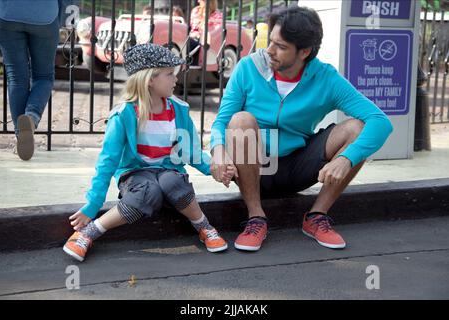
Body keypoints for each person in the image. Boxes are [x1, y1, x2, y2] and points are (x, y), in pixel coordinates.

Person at [210, 7, 393, 252]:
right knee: (240, 120)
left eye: (281, 46)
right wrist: (218, 151)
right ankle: (256, 217)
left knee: (357, 128)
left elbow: (380, 121)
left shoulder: (326, 78)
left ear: (304, 52)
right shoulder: (247, 68)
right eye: (270, 42)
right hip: (253, 169)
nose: (270, 51)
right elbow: (221, 122)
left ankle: (317, 216)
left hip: (299, 166)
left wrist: (347, 159)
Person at [63, 44, 229, 262]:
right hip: (135, 174)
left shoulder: (179, 110)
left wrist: (214, 170)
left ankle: (204, 227)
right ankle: (89, 232)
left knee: (172, 182)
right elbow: (108, 161)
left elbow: (191, 152)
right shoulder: (124, 114)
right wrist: (93, 205)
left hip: (169, 170)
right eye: (169, 74)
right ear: (150, 79)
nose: (175, 79)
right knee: (148, 192)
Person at [0, 0, 67, 160]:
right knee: (43, 76)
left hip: (7, 14)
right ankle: (31, 117)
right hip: (45, 15)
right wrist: (63, 17)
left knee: (16, 78)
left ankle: (20, 135)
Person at [188, 0, 222, 65]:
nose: (198, 1)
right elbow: (191, 27)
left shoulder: (217, 15)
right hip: (192, 37)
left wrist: (200, 32)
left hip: (205, 41)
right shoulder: (195, 11)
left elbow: (215, 32)